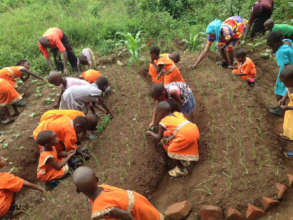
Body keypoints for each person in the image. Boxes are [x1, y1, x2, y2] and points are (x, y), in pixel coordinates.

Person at [73, 166, 164, 220]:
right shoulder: (103, 187)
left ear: (78, 190)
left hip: (138, 214)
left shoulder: (100, 210)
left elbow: (126, 215)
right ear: (97, 179)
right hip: (141, 203)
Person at [146, 101, 200, 177]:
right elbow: (179, 127)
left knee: (171, 150)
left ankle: (181, 169)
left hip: (186, 136)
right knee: (170, 137)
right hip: (194, 130)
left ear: (161, 113)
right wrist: (171, 137)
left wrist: (150, 133)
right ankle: (185, 158)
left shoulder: (163, 122)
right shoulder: (177, 114)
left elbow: (158, 137)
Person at [267, 31, 293, 116]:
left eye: (272, 46)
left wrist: (285, 79)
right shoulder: (287, 41)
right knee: (286, 91)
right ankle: (281, 106)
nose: (272, 49)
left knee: (278, 92)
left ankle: (281, 109)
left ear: (277, 43)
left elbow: (286, 67)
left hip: (287, 74)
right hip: (290, 72)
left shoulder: (280, 52)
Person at [279, 65, 293, 157]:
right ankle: (288, 134)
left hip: (291, 109)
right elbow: (287, 91)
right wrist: (283, 99)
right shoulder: (290, 85)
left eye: (285, 82)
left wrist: (287, 108)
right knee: (289, 124)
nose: (284, 85)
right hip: (291, 111)